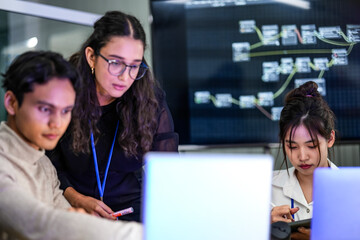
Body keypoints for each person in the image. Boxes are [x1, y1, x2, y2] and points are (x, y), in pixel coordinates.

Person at [47, 11, 179, 223]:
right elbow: (47, 158)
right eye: (116, 62)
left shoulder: (148, 98)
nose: (125, 77)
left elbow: (168, 168)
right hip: (71, 207)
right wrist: (75, 198)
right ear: (92, 56)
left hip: (131, 211)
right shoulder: (65, 91)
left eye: (134, 65)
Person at [0, 51, 142, 240]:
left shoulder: (44, 165)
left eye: (66, 111)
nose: (57, 123)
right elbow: (41, 224)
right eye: (44, 109)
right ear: (11, 103)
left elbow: (65, 218)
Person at [270, 81, 337, 238]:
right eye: (292, 147)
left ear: (330, 139)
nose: (302, 157)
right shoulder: (264, 188)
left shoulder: (354, 190)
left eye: (312, 145)